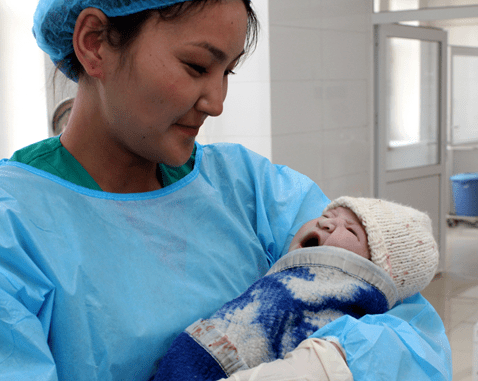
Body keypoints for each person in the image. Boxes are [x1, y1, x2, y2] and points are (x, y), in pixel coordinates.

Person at [0, 0, 451, 380]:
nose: (216, 103)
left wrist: (320, 366)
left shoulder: (250, 188)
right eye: (196, 66)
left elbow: (411, 333)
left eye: (228, 72)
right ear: (94, 42)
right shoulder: (15, 229)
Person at [152, 197, 440, 381]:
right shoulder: (285, 273)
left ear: (376, 268)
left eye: (350, 230)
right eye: (330, 213)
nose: (327, 222)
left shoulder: (346, 314)